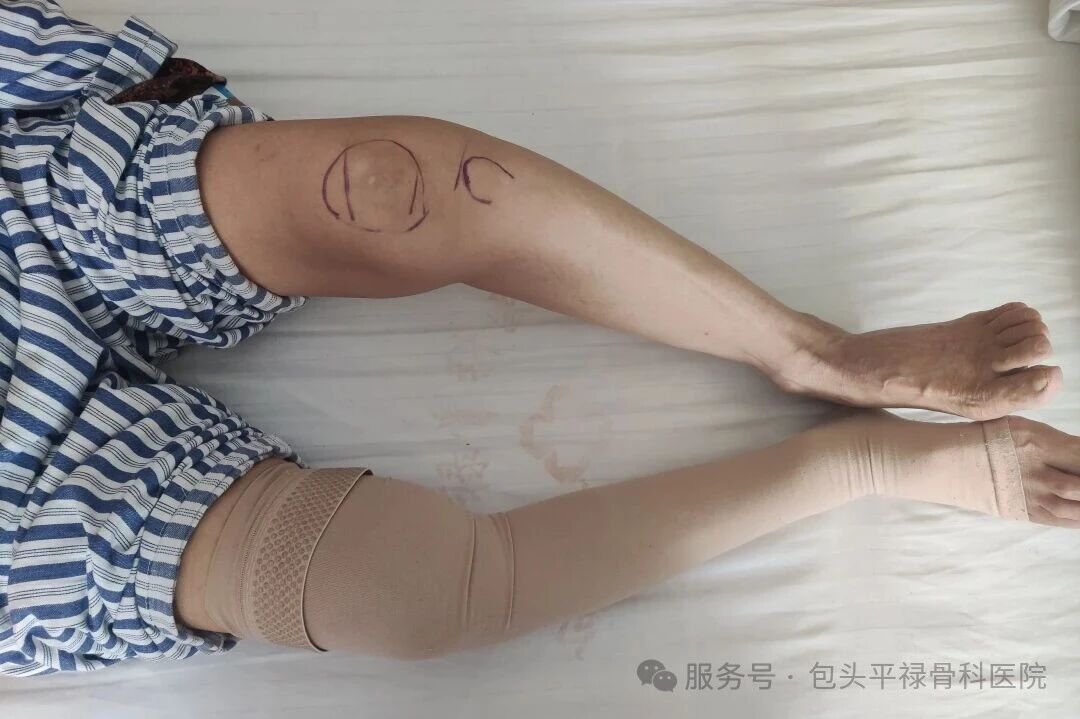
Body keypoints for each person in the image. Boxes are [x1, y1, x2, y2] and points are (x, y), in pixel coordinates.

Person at [0, 1, 1076, 676]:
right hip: (23, 496)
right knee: (408, 598)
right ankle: (857, 458)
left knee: (397, 188)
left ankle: (810, 350)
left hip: (28, 209)